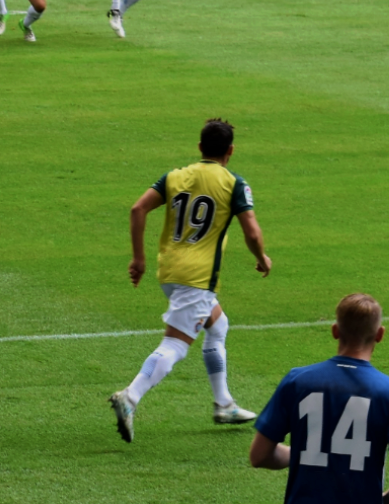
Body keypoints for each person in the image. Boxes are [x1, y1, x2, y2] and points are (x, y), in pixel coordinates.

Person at [110, 116, 271, 444]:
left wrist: (138, 259)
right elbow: (252, 231)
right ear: (231, 151)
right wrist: (261, 257)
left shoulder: (175, 176)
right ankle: (131, 396)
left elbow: (137, 209)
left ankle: (223, 403)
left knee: (218, 324)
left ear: (200, 147)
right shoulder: (233, 183)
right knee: (175, 345)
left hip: (170, 270)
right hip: (196, 279)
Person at [249, 293, 389, 504]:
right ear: (379, 334)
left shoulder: (297, 381)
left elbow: (259, 456)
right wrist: (386, 500)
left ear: (335, 331)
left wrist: (304, 451)